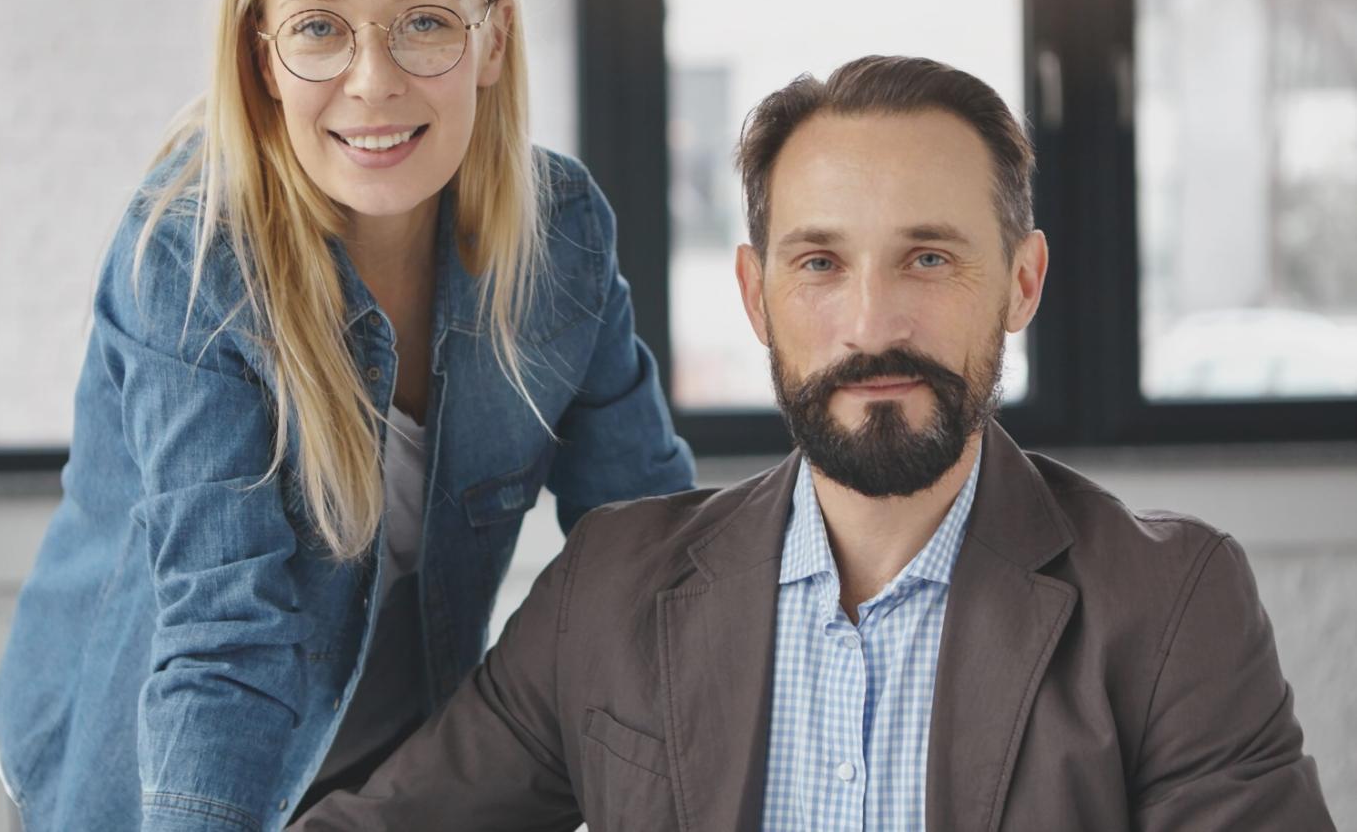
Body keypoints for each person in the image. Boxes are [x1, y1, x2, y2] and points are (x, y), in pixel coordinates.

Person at [293, 55, 1336, 832]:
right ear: (755, 294)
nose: (872, 322)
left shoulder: (1170, 605)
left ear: (1022, 281)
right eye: (820, 263)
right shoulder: (607, 586)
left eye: (927, 258)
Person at [0, 0, 694, 828]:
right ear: (260, 55)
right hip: (144, 771)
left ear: (493, 41)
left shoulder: (561, 235)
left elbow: (648, 543)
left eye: (425, 24)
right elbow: (225, 639)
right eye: (319, 27)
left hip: (383, 782)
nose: (373, 81)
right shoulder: (191, 259)